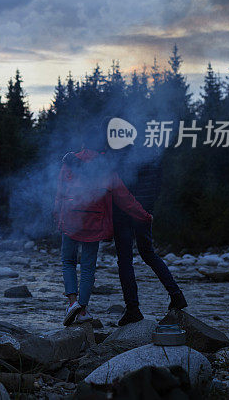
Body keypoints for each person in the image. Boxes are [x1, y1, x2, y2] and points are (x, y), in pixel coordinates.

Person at [54, 130, 154, 327]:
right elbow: (125, 199)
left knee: (68, 261)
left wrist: (57, 216)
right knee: (88, 267)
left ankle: (73, 303)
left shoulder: (69, 162)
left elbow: (60, 192)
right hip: (94, 222)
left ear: (84, 143)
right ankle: (82, 309)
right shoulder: (106, 167)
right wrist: (145, 216)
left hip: (71, 218)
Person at [111, 146, 187, 326]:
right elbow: (158, 184)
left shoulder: (120, 153)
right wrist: (149, 207)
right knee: (148, 253)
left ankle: (133, 309)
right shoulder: (153, 153)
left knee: (125, 261)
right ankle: (176, 295)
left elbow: (118, 185)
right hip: (145, 210)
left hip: (125, 211)